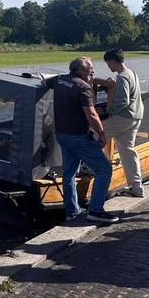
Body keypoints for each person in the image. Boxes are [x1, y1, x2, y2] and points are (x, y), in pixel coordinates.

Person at [41, 56, 118, 223]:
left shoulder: (60, 80)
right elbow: (91, 114)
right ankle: (96, 210)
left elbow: (43, 82)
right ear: (80, 69)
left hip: (61, 135)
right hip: (78, 136)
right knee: (104, 169)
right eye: (90, 68)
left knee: (69, 174)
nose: (93, 71)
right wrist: (102, 134)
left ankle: (72, 212)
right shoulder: (84, 87)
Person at [95, 48, 144, 197]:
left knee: (92, 134)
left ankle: (91, 168)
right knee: (127, 150)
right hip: (136, 117)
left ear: (113, 62)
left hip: (124, 118)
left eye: (108, 63)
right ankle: (136, 186)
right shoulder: (131, 73)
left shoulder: (123, 78)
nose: (108, 67)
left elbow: (123, 101)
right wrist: (115, 84)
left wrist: (104, 110)